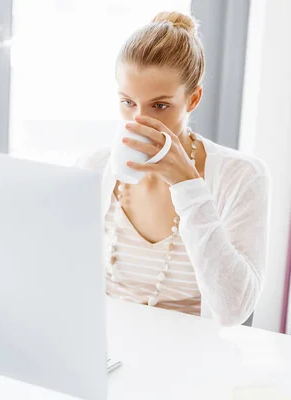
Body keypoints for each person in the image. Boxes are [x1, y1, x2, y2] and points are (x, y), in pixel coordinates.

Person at [76, 11, 270, 326]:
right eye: (128, 102)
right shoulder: (94, 168)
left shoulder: (242, 177)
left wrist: (187, 184)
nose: (139, 120)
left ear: (193, 99)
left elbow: (234, 310)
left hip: (193, 361)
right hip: (108, 351)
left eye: (160, 105)